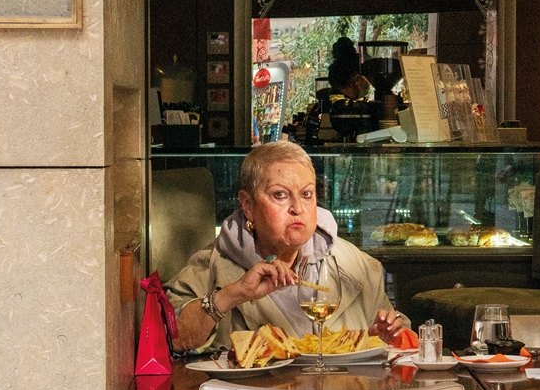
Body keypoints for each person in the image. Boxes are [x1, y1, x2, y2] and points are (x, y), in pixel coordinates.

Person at [167, 141, 410, 352]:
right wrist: (233, 294)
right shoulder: (211, 266)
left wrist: (382, 340)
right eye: (280, 195)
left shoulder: (358, 266)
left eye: (306, 194)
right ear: (247, 204)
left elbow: (405, 343)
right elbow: (170, 338)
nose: (298, 208)